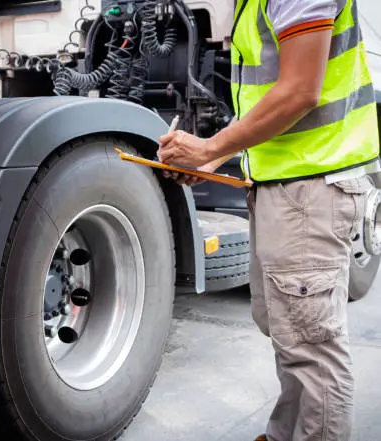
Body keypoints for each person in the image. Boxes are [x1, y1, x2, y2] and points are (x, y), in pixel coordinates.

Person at [157, 1, 380, 440]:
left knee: (312, 348)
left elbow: (299, 90)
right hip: (288, 182)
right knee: (291, 330)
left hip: (310, 185)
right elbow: (271, 98)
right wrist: (214, 155)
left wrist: (206, 149)